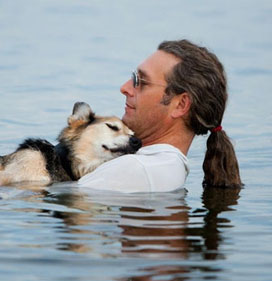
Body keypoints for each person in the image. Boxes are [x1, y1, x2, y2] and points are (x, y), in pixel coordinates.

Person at [78, 39, 242, 193]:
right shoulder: (164, 167)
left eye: (141, 81)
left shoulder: (137, 169)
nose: (125, 88)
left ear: (180, 105)